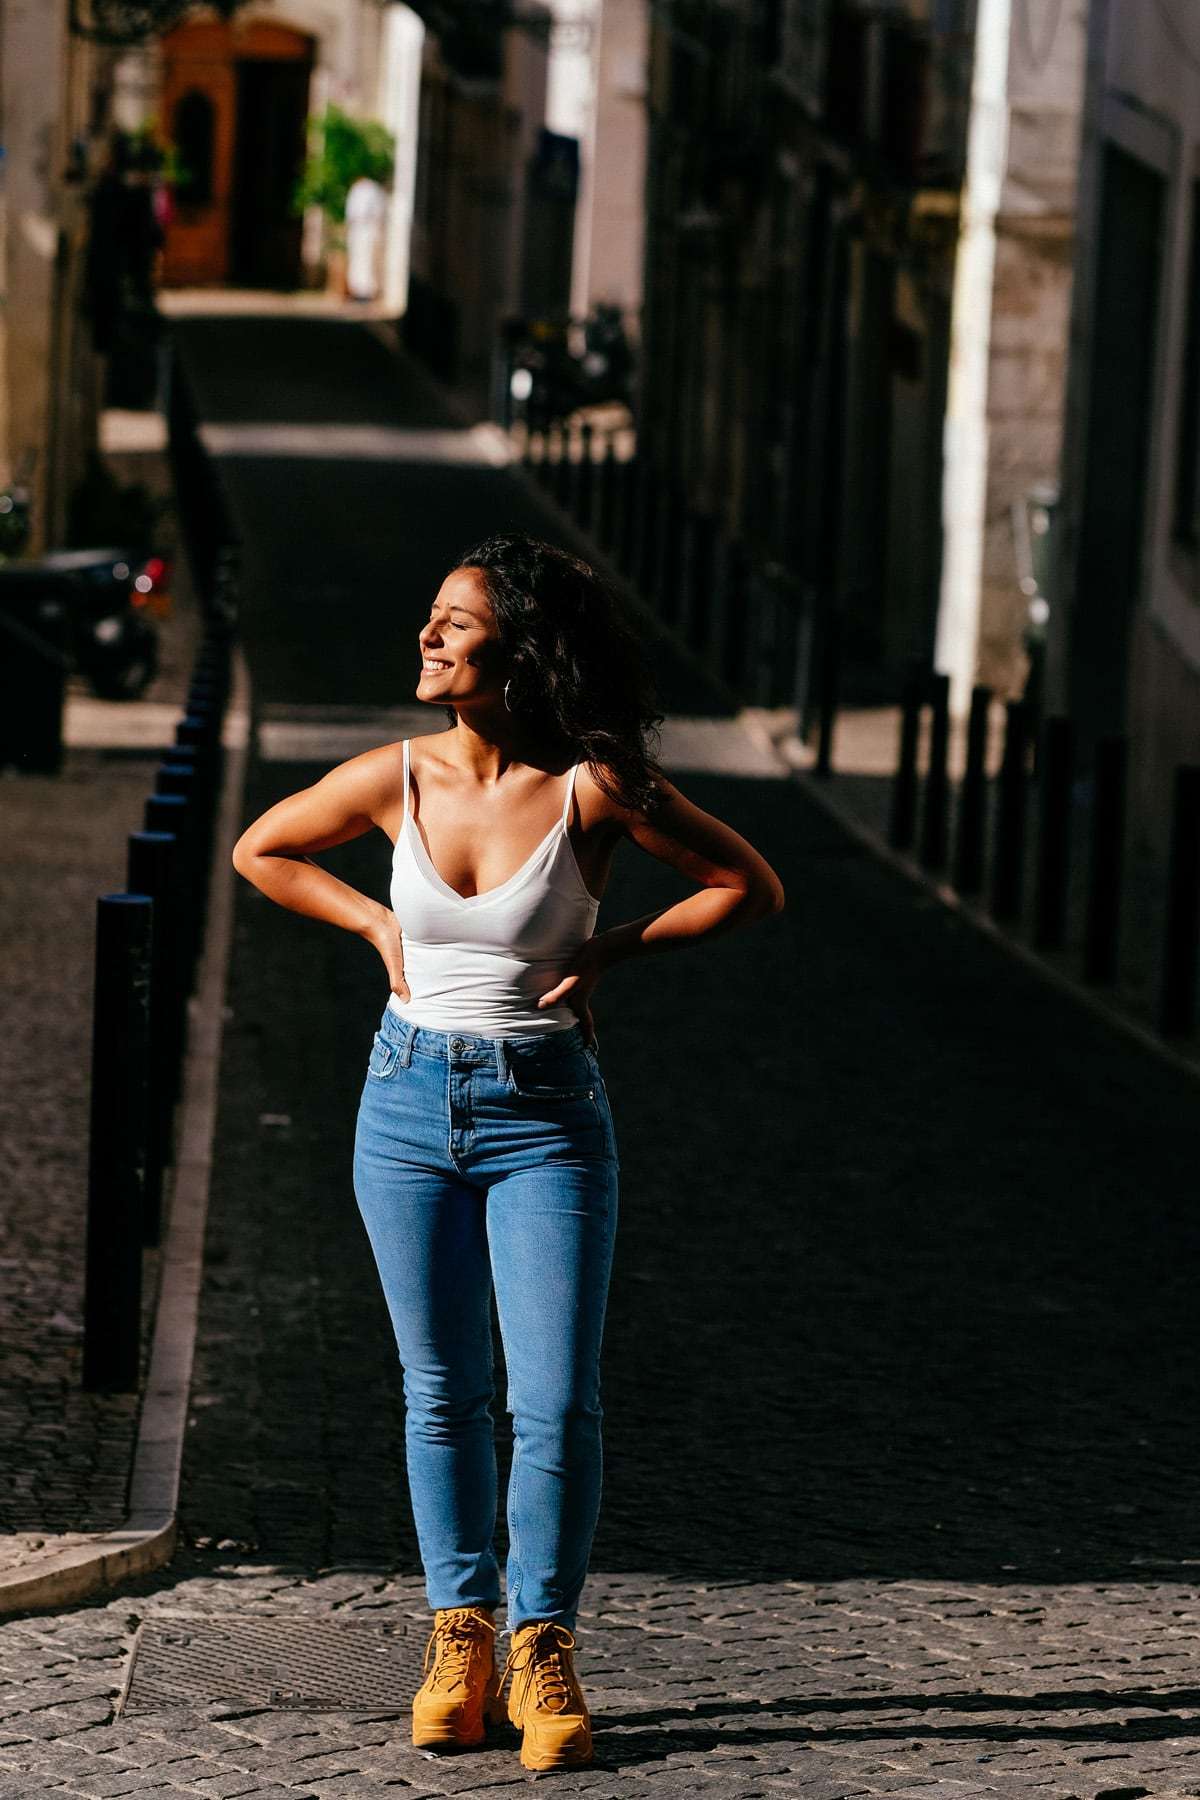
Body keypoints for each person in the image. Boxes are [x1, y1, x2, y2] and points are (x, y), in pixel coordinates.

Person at [230, 532, 786, 1771]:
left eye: (456, 621)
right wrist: (376, 922)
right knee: (442, 1394)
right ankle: (460, 1635)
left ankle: (544, 1647)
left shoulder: (594, 789)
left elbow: (748, 884)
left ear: (519, 649)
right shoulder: (397, 777)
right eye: (430, 616)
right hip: (405, 1104)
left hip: (547, 1117)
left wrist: (613, 951)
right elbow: (259, 849)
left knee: (554, 1399)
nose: (427, 635)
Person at [344, 173, 388, 301]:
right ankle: (359, 291)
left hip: (367, 230)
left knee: (367, 261)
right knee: (360, 261)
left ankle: (365, 291)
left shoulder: (366, 190)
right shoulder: (367, 190)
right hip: (361, 230)